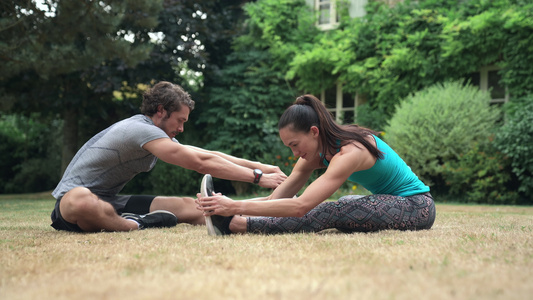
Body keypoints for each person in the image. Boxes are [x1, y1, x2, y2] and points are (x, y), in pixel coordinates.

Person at [50, 81, 287, 233]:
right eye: (180, 120)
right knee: (82, 199)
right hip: (70, 207)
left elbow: (206, 154)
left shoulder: (155, 133)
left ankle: (271, 204)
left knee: (191, 207)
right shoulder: (139, 130)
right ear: (161, 110)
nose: (182, 128)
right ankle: (136, 224)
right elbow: (199, 163)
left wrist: (262, 167)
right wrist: (256, 177)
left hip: (109, 202)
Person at [196, 94, 436, 235]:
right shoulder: (312, 155)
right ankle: (230, 217)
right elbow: (277, 199)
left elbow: (300, 206)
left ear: (313, 132)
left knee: (330, 210)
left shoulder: (350, 151)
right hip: (392, 203)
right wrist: (224, 204)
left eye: (294, 144)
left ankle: (236, 225)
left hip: (417, 207)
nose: (294, 153)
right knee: (343, 203)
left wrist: (235, 210)